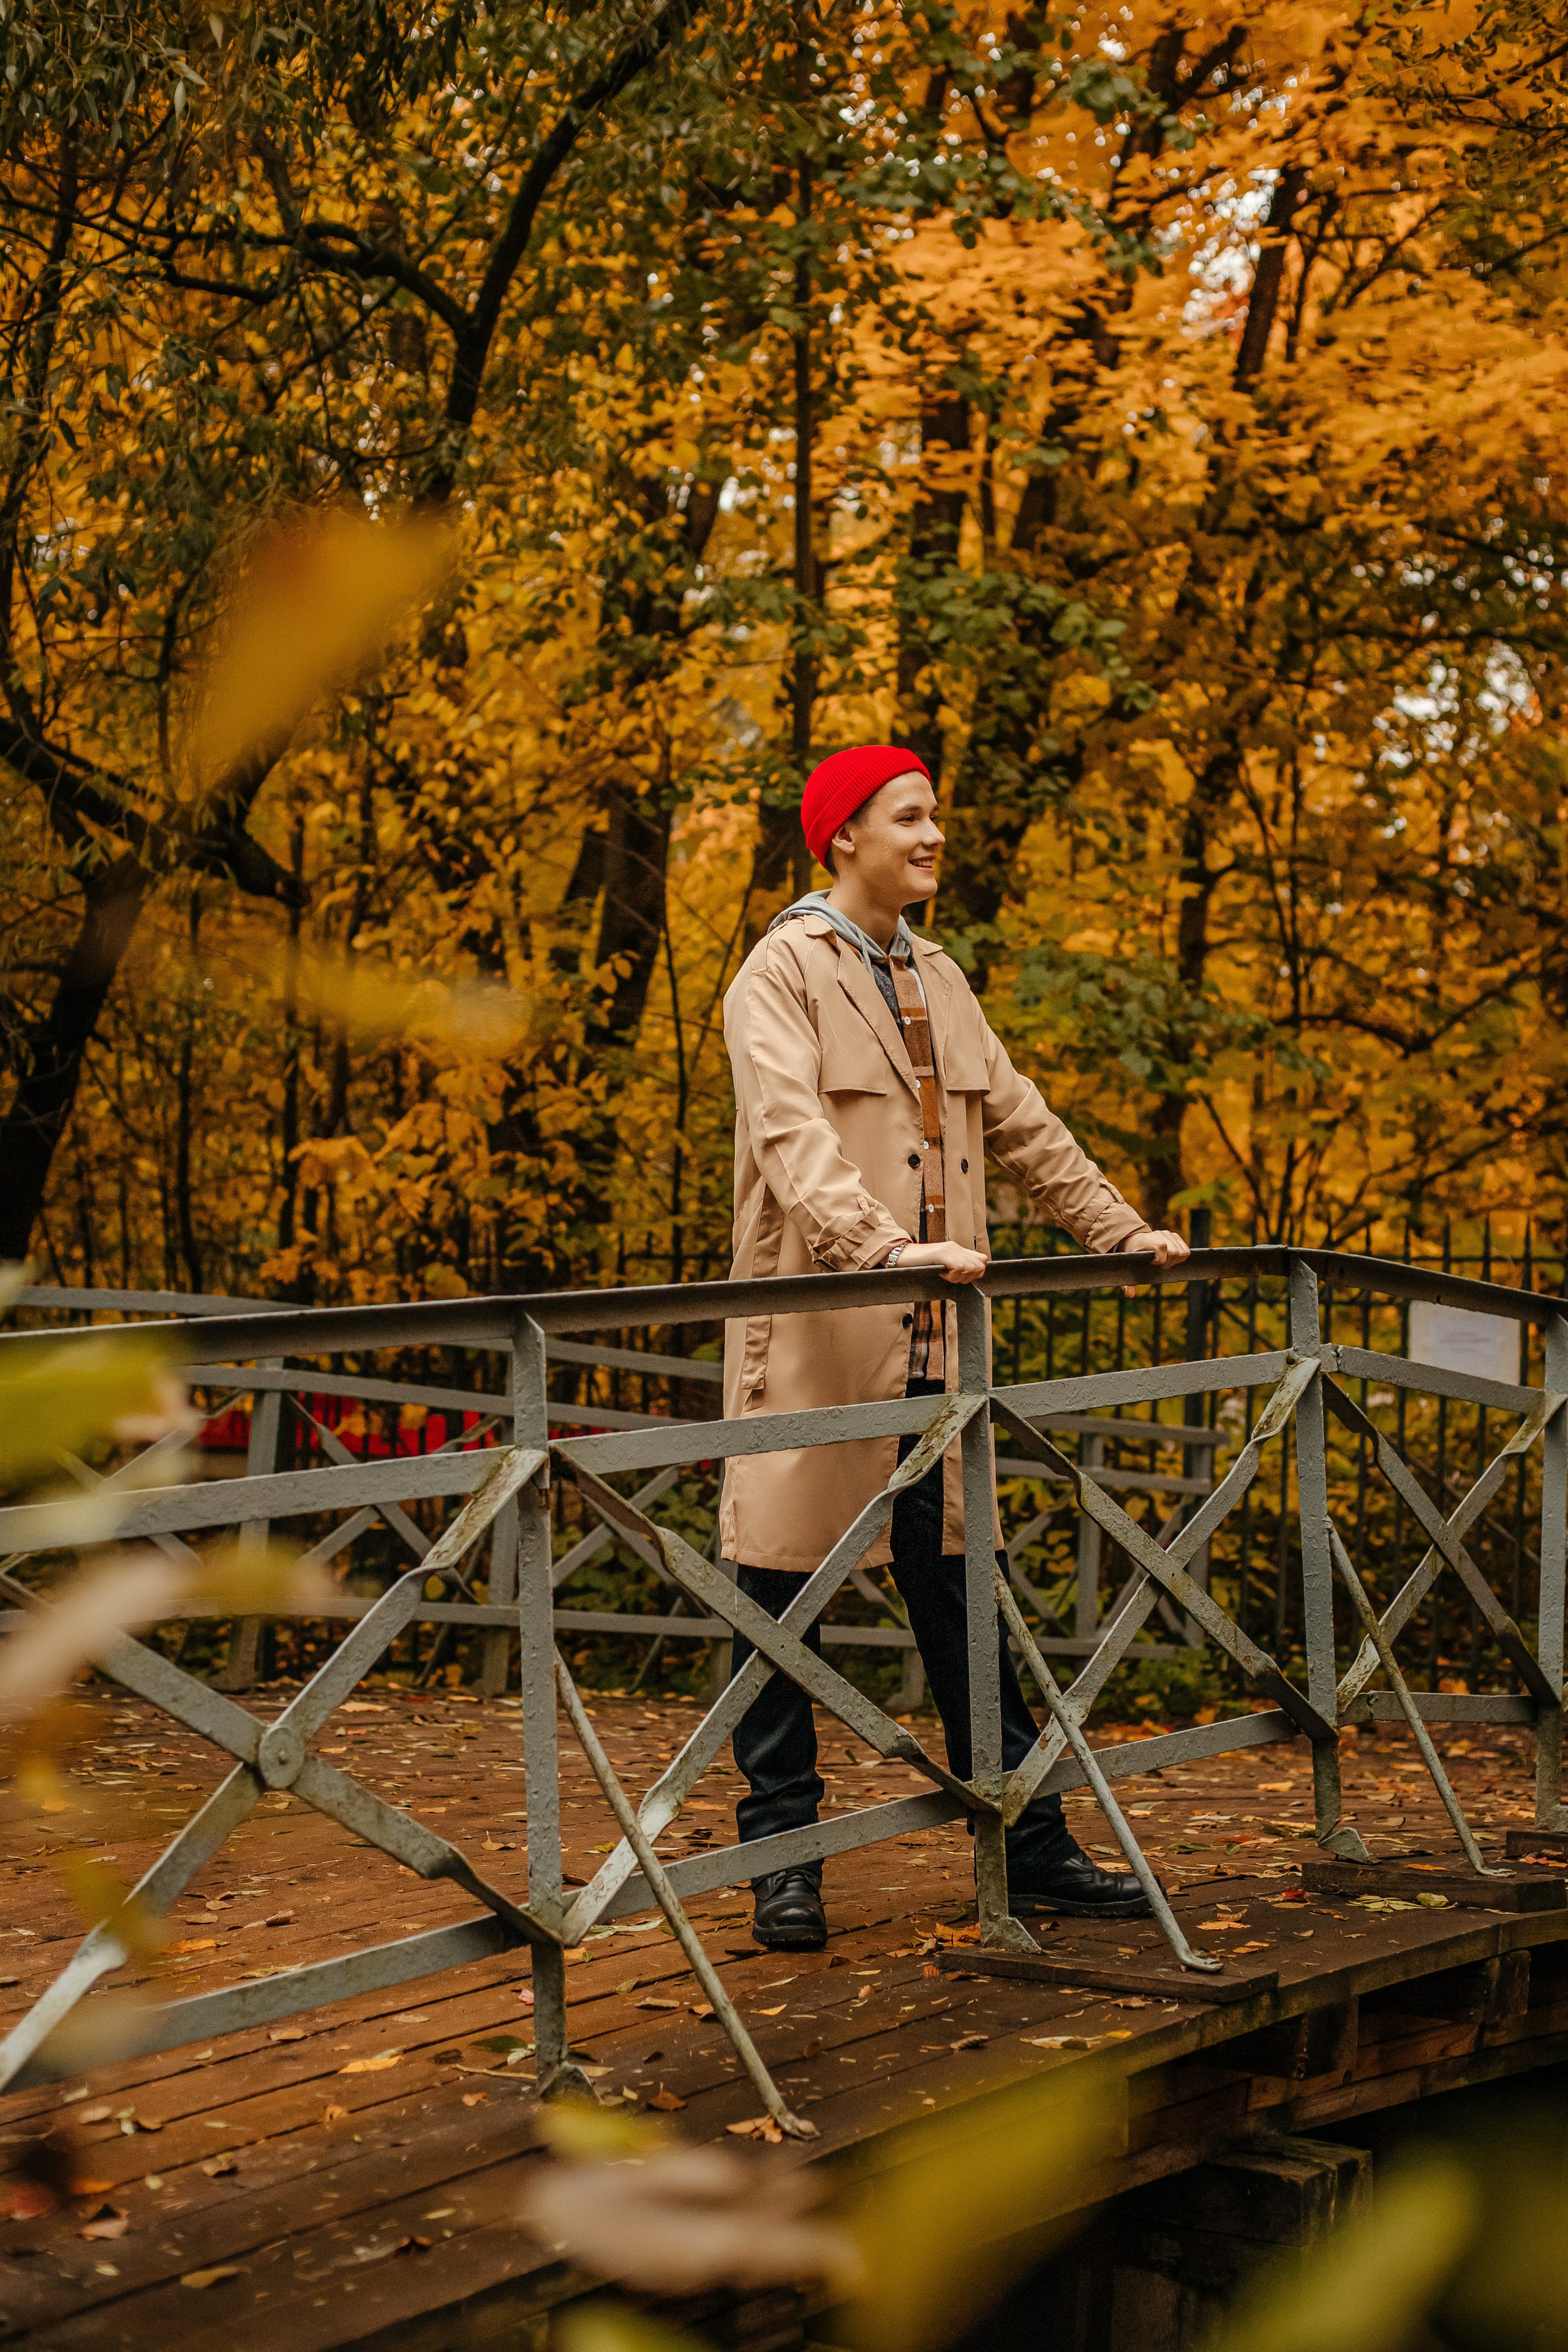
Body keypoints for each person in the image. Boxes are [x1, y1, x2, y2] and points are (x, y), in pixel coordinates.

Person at [720, 742, 1191, 1951]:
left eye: (934, 814)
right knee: (781, 1584)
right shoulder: (779, 972)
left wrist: (1118, 1230)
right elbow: (790, 1138)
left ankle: (1025, 1843)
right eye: (908, 816)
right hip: (825, 1322)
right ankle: (782, 1854)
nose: (932, 835)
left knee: (955, 1585)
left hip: (939, 1332)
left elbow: (1024, 1127)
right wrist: (874, 1247)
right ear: (842, 839)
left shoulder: (938, 976)